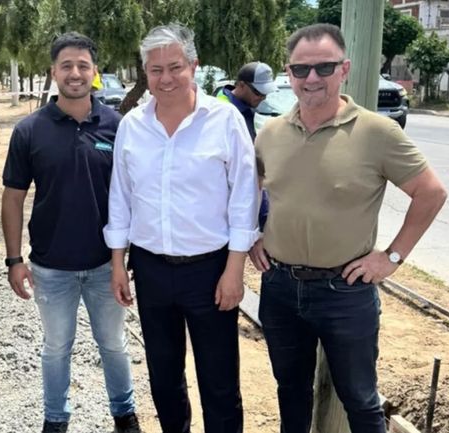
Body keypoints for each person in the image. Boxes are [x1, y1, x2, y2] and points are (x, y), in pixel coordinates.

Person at [250, 23, 448, 433]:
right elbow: (248, 192)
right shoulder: (270, 134)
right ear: (288, 73)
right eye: (301, 70)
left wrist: (391, 257)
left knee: (360, 398)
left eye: (324, 68)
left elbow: (431, 193)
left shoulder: (378, 132)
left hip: (345, 292)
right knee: (290, 391)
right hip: (280, 287)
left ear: (345, 69)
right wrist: (252, 235)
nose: (312, 79)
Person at [104, 24, 259, 433]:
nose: (166, 78)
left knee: (220, 381)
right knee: (164, 378)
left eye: (175, 67)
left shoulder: (224, 120)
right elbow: (120, 198)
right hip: (151, 269)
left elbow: (245, 197)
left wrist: (234, 270)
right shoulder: (132, 126)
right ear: (144, 73)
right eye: (155, 70)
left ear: (194, 66)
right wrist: (118, 263)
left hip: (210, 271)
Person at [1, 32, 141, 433]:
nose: (75, 73)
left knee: (113, 345)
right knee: (56, 348)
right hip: (51, 268)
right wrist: (14, 260)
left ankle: (124, 415)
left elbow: (133, 196)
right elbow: (13, 199)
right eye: (67, 66)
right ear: (53, 72)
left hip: (105, 266)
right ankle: (56, 420)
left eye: (83, 65)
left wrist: (129, 260)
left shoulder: (118, 126)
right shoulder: (30, 130)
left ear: (95, 72)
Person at [215, 61, 278, 230]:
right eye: (258, 92)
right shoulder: (223, 112)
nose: (263, 98)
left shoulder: (245, 108)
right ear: (241, 85)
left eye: (265, 93)